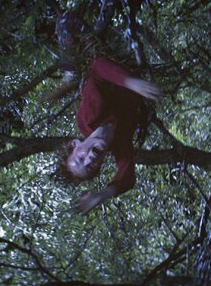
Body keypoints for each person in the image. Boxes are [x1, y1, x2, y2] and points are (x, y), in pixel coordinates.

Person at [61, 57, 162, 214]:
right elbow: (127, 179)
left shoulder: (88, 117)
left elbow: (97, 67)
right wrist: (102, 194)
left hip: (120, 56)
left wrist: (131, 83)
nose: (89, 160)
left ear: (74, 144)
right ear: (99, 164)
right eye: (90, 167)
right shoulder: (120, 144)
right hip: (144, 65)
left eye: (80, 159)